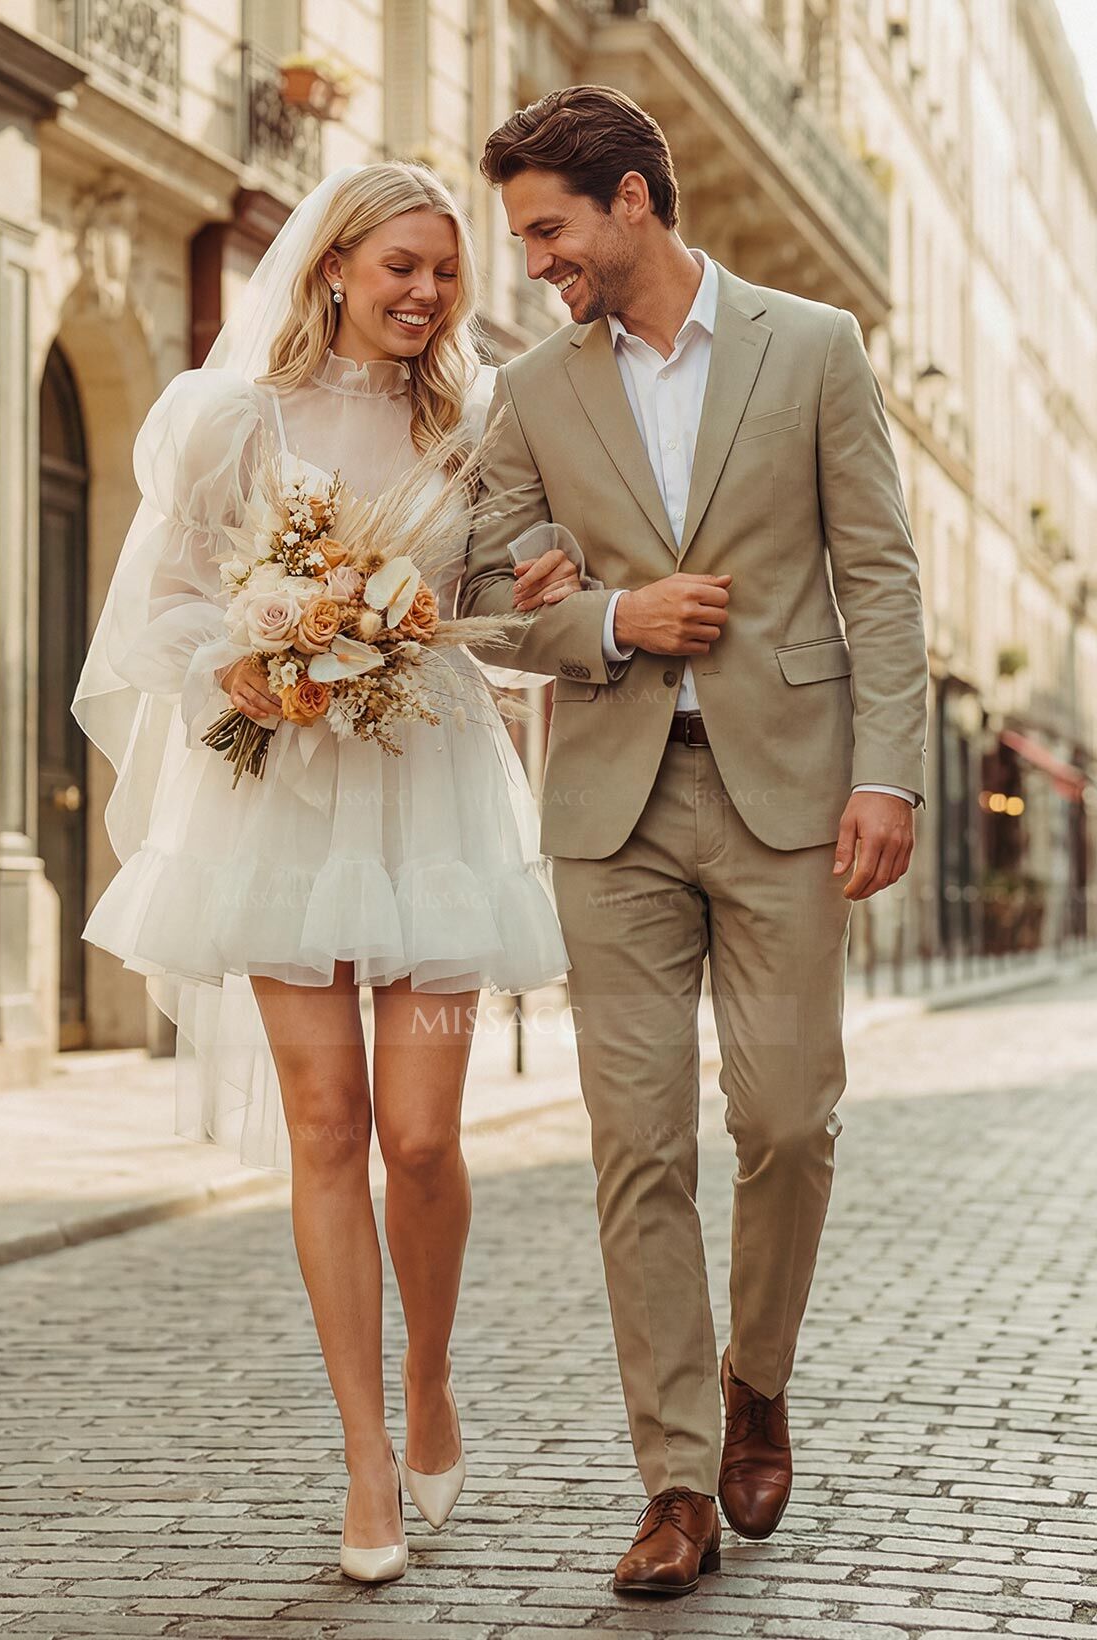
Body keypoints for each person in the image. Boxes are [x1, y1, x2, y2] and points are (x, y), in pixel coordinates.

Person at [72, 162, 582, 1585]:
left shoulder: (478, 426)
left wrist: (522, 594)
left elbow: (486, 603)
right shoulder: (230, 420)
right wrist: (250, 659)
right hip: (278, 804)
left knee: (419, 1134)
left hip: (430, 796)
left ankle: (429, 1373)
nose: (424, 294)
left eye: (444, 272)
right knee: (326, 1121)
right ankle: (365, 1452)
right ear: (337, 266)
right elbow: (162, 609)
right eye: (401, 266)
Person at [461, 86, 929, 1596]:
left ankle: (757, 1377)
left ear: (634, 202)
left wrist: (894, 776)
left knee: (789, 1119)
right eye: (522, 234)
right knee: (636, 1145)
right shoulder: (531, 386)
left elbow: (883, 574)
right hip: (614, 806)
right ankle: (673, 1482)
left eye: (548, 229)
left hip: (791, 790)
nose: (533, 260)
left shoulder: (815, 347)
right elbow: (479, 586)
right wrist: (603, 616)